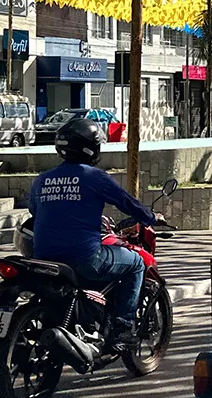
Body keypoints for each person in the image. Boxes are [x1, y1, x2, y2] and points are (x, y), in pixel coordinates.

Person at [28, 119, 161, 351]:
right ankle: (121, 328)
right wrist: (150, 217)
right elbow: (126, 202)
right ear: (92, 148)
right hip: (85, 258)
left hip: (43, 257)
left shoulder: (42, 180)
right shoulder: (93, 177)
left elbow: (35, 211)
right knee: (136, 264)